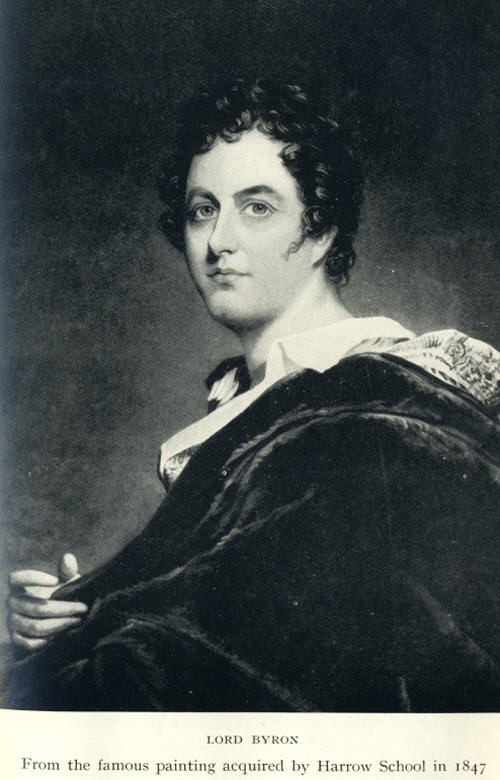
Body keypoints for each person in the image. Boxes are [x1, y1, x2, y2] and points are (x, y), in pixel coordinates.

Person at [5, 80, 500, 711]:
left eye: (257, 207)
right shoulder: (253, 408)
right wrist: (71, 615)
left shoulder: (369, 413)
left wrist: (99, 630)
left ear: (320, 230)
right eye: (202, 210)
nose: (218, 242)